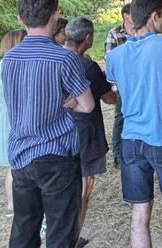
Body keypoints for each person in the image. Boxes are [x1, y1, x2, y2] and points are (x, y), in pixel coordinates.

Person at [1, 0, 94, 248]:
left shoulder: (9, 58)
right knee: (60, 232)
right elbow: (87, 106)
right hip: (56, 156)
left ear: (21, 19)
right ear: (55, 14)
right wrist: (72, 101)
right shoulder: (64, 58)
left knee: (24, 228)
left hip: (21, 154)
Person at [106, 0, 162, 248]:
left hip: (131, 141)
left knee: (140, 211)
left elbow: (122, 92)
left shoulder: (115, 56)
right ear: (153, 16)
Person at [64, 17, 116, 247]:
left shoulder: (55, 60)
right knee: (84, 186)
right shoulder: (88, 67)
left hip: (59, 135)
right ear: (88, 38)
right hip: (85, 133)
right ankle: (72, 238)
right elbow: (110, 98)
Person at [0, 29, 27, 216]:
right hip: (12, 116)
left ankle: (14, 204)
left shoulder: (5, 63)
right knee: (14, 163)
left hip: (10, 114)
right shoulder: (9, 64)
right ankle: (12, 204)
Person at [104, 3, 133, 168]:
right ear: (125, 16)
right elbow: (110, 61)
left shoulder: (140, 31)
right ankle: (118, 155)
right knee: (120, 117)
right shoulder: (114, 34)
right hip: (122, 84)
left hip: (138, 83)